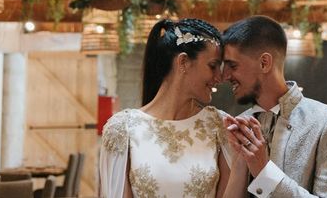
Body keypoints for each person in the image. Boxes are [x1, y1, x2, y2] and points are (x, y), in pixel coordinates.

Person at [98, 18, 233, 198]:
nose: (219, 77)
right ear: (183, 62)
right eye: (213, 66)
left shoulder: (219, 125)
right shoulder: (123, 129)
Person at [221, 16, 327, 198]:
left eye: (232, 66)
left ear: (264, 63)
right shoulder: (239, 125)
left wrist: (264, 171)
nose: (225, 76)